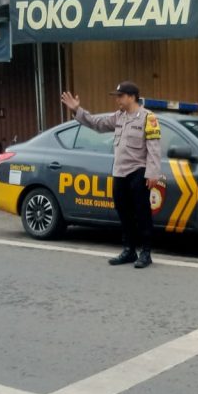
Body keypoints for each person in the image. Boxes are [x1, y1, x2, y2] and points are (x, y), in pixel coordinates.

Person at [60, 81, 162, 268]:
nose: (117, 100)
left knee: (142, 214)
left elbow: (154, 149)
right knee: (124, 213)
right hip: (120, 173)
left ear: (132, 97)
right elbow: (97, 124)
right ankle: (129, 250)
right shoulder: (119, 117)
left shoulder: (148, 118)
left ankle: (146, 253)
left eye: (120, 96)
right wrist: (77, 110)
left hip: (138, 172)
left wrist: (152, 173)